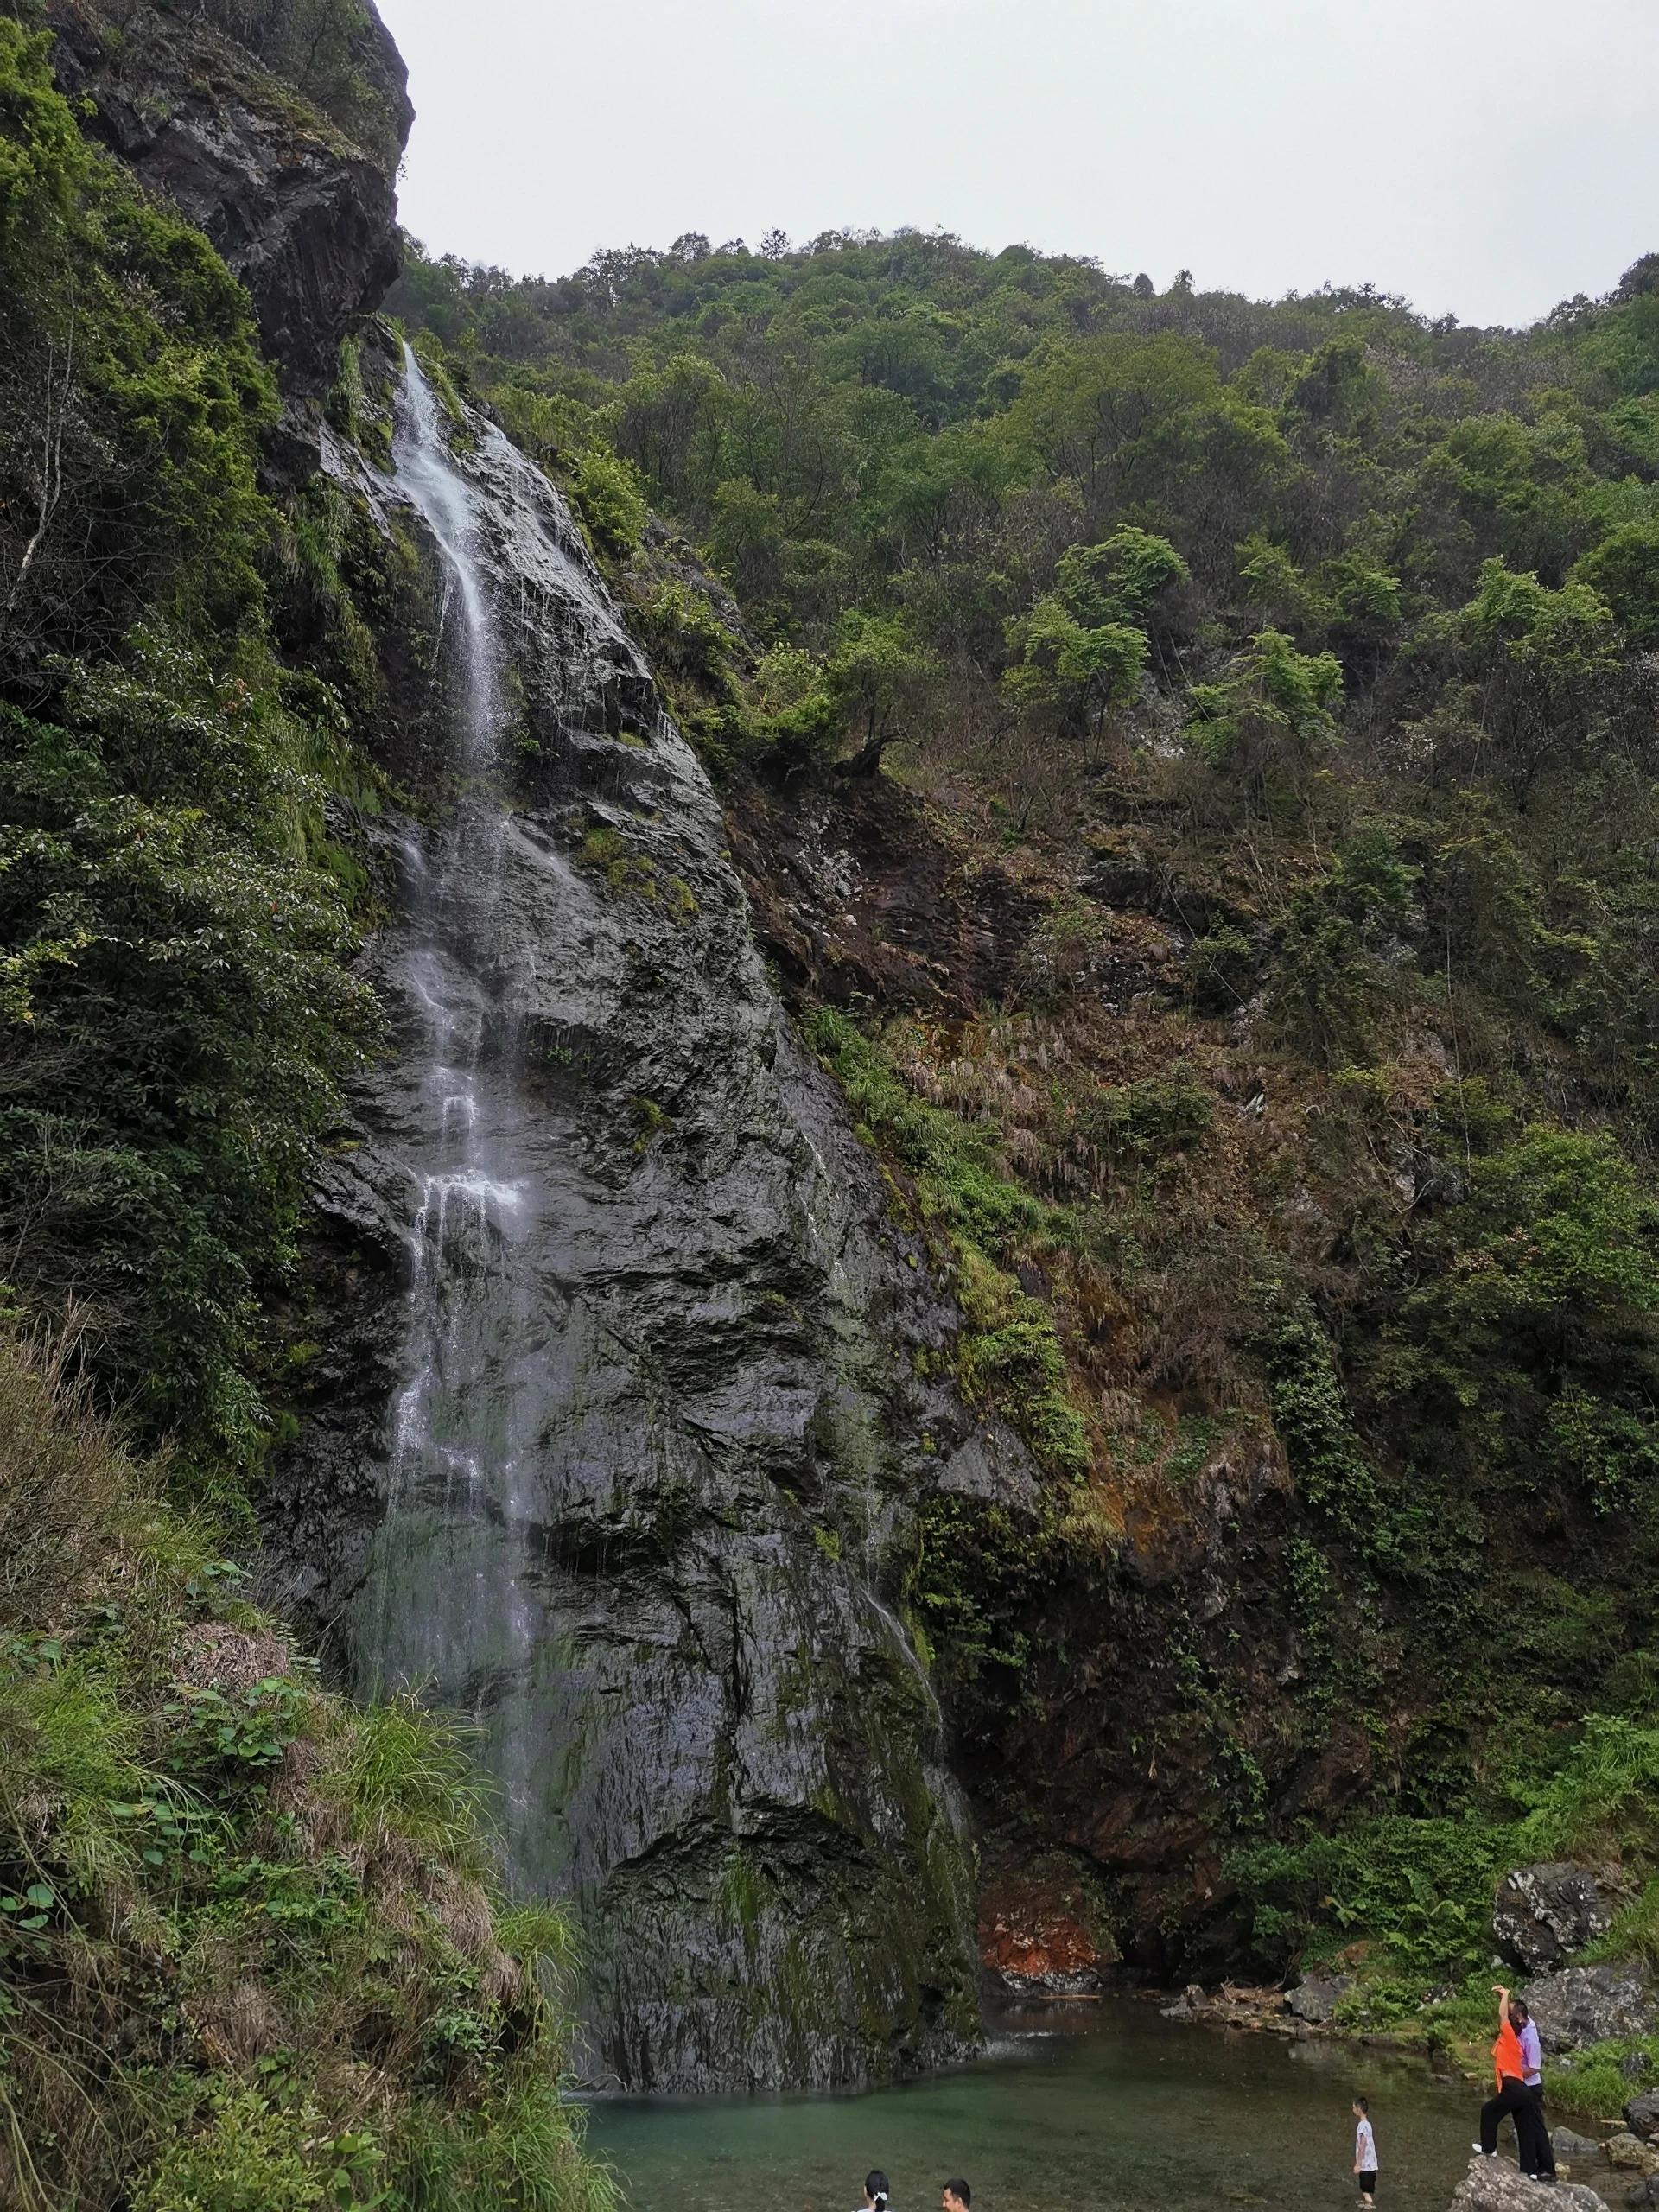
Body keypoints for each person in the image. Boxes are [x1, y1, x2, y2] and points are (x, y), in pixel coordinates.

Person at [1476, 1985, 1534, 2164]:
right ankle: (1530, 2169)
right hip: (1522, 2089)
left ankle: (1489, 2150)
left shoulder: (1509, 2036)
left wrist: (1506, 1994)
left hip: (1514, 2087)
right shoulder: (1514, 2041)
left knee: (1488, 2111)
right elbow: (1504, 2015)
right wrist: (1502, 1999)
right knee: (1523, 2129)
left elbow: (1502, 2016)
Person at [1511, 1998, 1557, 2182]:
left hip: (1531, 2087)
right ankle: (1528, 2166)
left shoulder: (1531, 2038)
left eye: (1512, 2014)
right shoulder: (1521, 2028)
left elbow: (1534, 2067)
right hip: (1521, 2086)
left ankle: (1547, 2169)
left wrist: (1512, 2074)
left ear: (1520, 2016)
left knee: (1535, 2129)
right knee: (1523, 2128)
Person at [1352, 2095, 1378, 2207]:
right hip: (1371, 2164)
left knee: (1365, 2190)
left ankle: (1370, 2205)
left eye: (1353, 2107)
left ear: (1359, 2109)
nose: (1352, 2109)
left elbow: (1362, 2144)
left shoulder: (1362, 2126)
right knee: (1365, 2188)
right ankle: (1366, 2202)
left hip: (1366, 2164)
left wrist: (1358, 2164)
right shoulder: (1368, 2124)